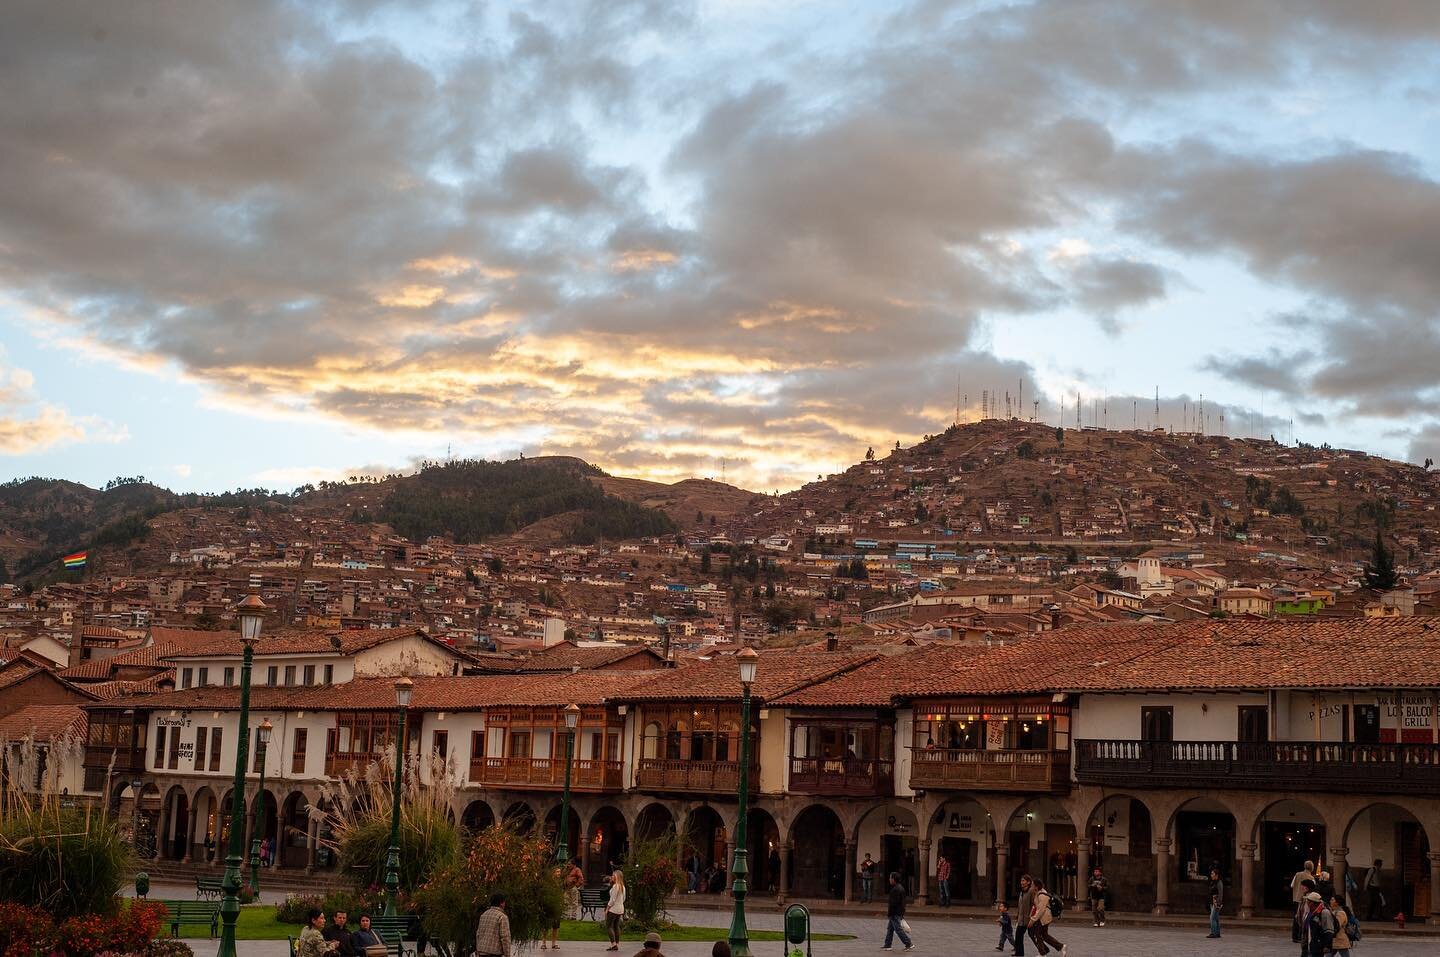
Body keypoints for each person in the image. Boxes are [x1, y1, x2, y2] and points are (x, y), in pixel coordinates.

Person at [1027, 877, 1065, 957]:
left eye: (1032, 885)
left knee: (1038, 934)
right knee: (1044, 935)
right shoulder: (1038, 893)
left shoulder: (1042, 895)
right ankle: (1060, 947)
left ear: (1036, 886)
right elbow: (1036, 906)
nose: (1031, 887)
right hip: (1042, 917)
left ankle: (1042, 953)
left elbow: (1041, 909)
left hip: (1043, 918)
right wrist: (1031, 916)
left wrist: (1033, 919)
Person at [882, 871, 913, 951]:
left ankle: (908, 943)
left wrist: (890, 913)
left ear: (893, 879)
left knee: (898, 929)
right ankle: (887, 944)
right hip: (898, 911)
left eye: (890, 878)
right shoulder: (900, 888)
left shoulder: (896, 890)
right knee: (890, 928)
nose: (889, 879)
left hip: (895, 912)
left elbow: (893, 903)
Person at [1301, 892, 1335, 957]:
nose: (1306, 903)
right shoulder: (1310, 912)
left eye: (1307, 901)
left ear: (1311, 903)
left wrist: (1327, 946)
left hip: (1318, 946)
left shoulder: (1324, 912)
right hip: (1308, 945)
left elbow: (1329, 931)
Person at [1014, 874, 1036, 957]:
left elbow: (1034, 905)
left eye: (1023, 880)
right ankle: (1019, 953)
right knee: (1018, 937)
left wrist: (1032, 917)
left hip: (1028, 919)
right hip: (1021, 919)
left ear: (1028, 882)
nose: (1021, 882)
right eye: (1021, 880)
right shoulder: (1021, 892)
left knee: (1033, 936)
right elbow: (1020, 905)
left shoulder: (1031, 891)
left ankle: (1044, 950)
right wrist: (1017, 915)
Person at [605, 869, 626, 951]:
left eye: (614, 875)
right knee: (616, 926)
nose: (612, 876)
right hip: (620, 908)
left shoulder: (615, 886)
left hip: (614, 909)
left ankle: (613, 944)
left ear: (617, 877)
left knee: (609, 926)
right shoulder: (623, 887)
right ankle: (617, 943)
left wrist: (607, 908)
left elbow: (612, 900)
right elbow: (624, 899)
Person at [1207, 867, 1224, 939]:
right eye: (1211, 873)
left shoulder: (1219, 882)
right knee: (1216, 918)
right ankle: (1217, 933)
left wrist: (1218, 903)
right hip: (1212, 901)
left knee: (1212, 918)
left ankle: (1213, 933)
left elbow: (1220, 894)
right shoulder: (1213, 882)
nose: (1211, 875)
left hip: (1216, 902)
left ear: (1216, 875)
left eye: (1212, 873)